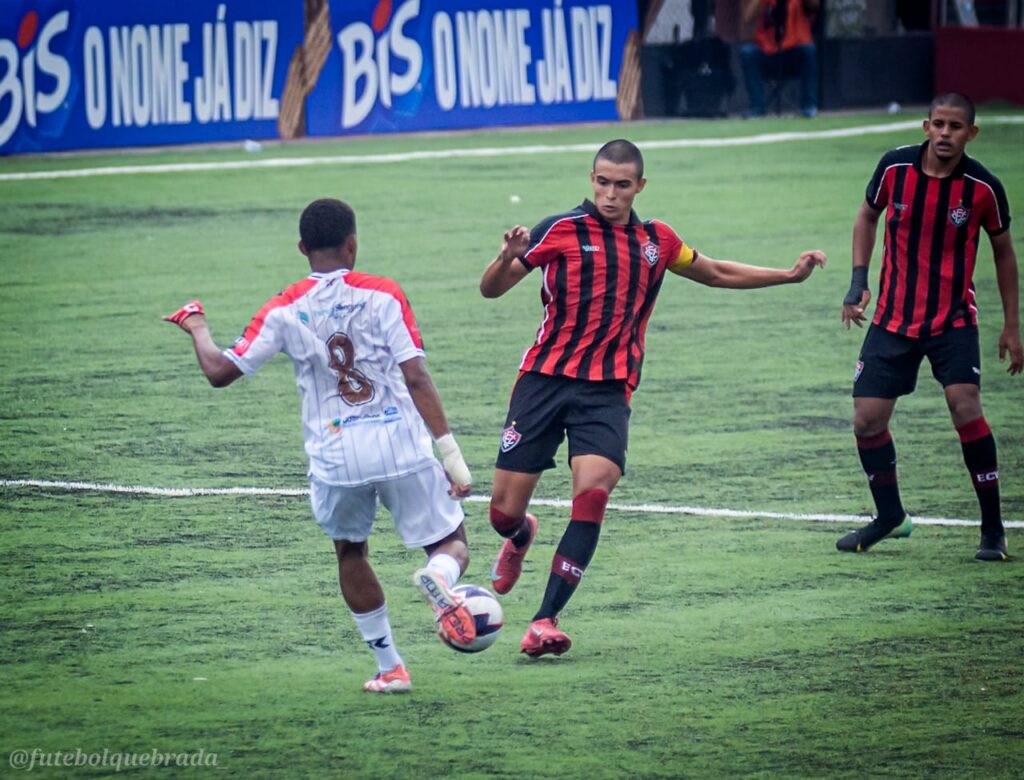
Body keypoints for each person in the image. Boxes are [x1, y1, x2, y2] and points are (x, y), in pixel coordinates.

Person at [479, 139, 826, 657]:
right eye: (602, 182)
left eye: (622, 185)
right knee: (502, 514)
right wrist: (505, 257)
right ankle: (520, 534)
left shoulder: (657, 240)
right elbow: (492, 289)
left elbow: (714, 272)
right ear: (590, 179)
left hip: (609, 390)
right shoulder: (560, 230)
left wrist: (788, 275)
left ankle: (544, 620)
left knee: (593, 494)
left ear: (640, 186)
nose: (610, 194)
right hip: (543, 383)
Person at [164, 198, 477, 693]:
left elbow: (221, 372)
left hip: (336, 458)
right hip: (400, 444)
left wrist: (198, 327)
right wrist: (451, 455)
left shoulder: (284, 307)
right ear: (353, 242)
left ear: (302, 248)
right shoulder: (384, 293)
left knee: (351, 552)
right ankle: (438, 574)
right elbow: (415, 374)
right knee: (449, 543)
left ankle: (390, 667)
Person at [838, 93, 1022, 561]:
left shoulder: (983, 188)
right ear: (925, 126)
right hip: (894, 320)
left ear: (971, 134)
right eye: (938, 124)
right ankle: (890, 516)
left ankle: (993, 529)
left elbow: (1004, 252)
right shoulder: (894, 169)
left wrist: (1012, 327)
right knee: (866, 419)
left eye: (955, 127)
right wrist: (858, 282)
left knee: (965, 407)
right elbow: (866, 216)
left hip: (953, 321)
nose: (945, 133)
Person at [740, 0, 819, 118]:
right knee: (748, 52)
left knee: (809, 50)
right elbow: (748, 18)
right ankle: (757, 107)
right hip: (768, 52)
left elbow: (814, 5)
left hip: (793, 52)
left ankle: (809, 106)